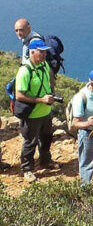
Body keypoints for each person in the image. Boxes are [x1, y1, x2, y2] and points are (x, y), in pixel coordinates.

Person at [14, 39, 59, 182]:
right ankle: (27, 169)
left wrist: (51, 91)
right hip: (32, 114)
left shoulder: (44, 64)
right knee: (30, 142)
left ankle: (45, 161)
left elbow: (50, 78)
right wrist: (41, 100)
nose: (45, 54)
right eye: (41, 51)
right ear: (32, 52)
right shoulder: (24, 71)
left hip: (46, 112)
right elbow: (19, 95)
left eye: (45, 51)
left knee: (46, 138)